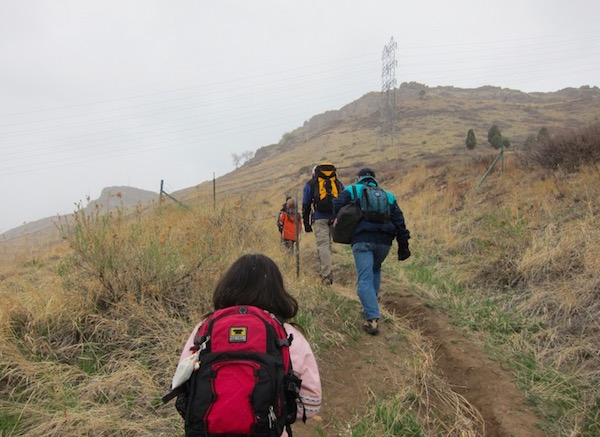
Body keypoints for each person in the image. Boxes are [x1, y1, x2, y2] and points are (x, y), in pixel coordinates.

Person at [176, 254, 322, 435]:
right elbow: (312, 403)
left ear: (227, 286)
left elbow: (181, 387)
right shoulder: (287, 335)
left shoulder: (205, 329)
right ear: (277, 291)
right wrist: (277, 411)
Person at [333, 167, 411, 335]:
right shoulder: (388, 195)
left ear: (359, 177)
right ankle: (372, 304)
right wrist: (403, 246)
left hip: (362, 240)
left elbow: (336, 204)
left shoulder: (354, 189)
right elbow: (400, 221)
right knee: (375, 269)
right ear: (374, 179)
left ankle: (373, 319)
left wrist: (339, 219)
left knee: (364, 280)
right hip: (385, 242)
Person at [302, 162, 344, 284]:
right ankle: (326, 270)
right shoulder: (337, 183)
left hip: (319, 218)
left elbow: (306, 204)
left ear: (314, 173)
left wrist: (306, 223)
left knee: (323, 245)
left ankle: (326, 275)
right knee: (328, 245)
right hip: (335, 217)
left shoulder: (311, 184)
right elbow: (344, 198)